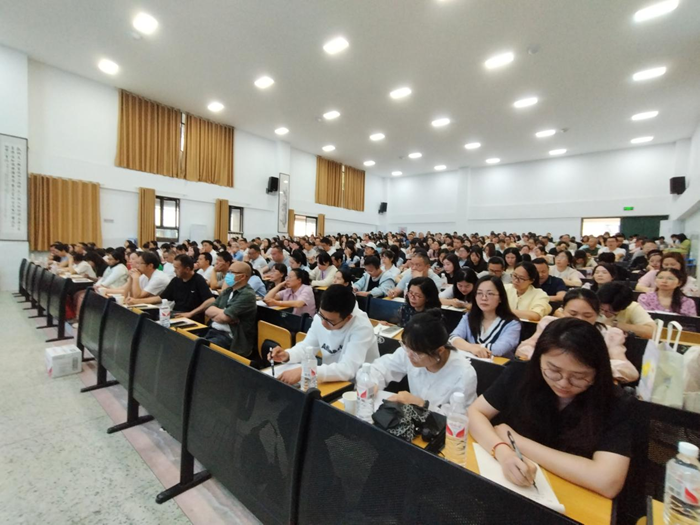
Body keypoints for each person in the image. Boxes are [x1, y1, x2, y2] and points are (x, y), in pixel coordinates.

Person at [469, 317, 633, 499]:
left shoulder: (615, 402)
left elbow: (608, 482)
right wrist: (503, 452)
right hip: (508, 488)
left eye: (579, 376)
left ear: (598, 372)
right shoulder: (520, 374)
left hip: (572, 499)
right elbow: (476, 412)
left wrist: (517, 442)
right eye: (554, 370)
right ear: (539, 358)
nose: (563, 383)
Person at [517, 288, 639, 383]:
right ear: (562, 310)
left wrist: (585, 368)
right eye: (573, 314)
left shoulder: (609, 334)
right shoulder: (549, 325)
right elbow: (524, 349)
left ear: (597, 314)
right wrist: (551, 362)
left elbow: (629, 371)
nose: (579, 320)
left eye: (587, 316)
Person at [367, 310, 478, 414]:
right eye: (406, 346)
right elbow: (381, 367)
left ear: (439, 350)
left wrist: (422, 404)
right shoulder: (410, 351)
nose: (409, 355)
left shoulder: (464, 374)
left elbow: (459, 417)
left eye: (417, 353)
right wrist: (372, 382)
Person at [269, 284, 379, 384]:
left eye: (331, 321)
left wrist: (306, 370)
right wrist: (288, 355)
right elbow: (307, 346)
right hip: (332, 380)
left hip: (361, 385)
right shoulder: (323, 317)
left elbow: (348, 369)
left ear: (348, 318)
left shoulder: (361, 327)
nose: (323, 323)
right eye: (321, 315)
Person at [449, 276, 521, 359]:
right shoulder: (469, 316)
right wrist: (471, 348)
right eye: (479, 293)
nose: (484, 298)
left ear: (500, 298)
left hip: (498, 365)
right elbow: (452, 338)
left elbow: (499, 349)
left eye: (490, 294)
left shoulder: (512, 323)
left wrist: (466, 346)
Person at [133, 255, 215, 322]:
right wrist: (137, 301)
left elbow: (211, 300)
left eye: (177, 268)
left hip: (192, 317)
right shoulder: (176, 280)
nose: (174, 271)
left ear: (187, 269)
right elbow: (160, 298)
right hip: (177, 314)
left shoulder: (198, 280)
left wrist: (191, 313)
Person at [203, 262, 258, 357]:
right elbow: (208, 311)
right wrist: (225, 312)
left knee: (201, 351)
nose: (228, 275)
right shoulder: (228, 291)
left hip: (230, 337)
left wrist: (222, 315)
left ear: (242, 276)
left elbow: (224, 318)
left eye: (231, 272)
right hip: (213, 330)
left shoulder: (247, 294)